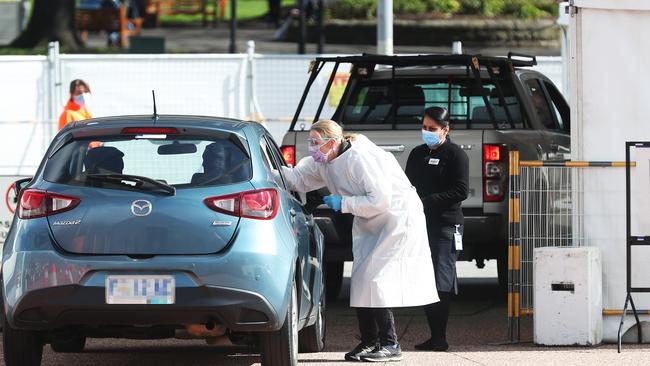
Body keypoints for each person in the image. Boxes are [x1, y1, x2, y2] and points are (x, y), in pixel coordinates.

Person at [280, 119, 438, 362]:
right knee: (363, 280)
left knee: (376, 280)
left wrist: (342, 203)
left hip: (396, 218)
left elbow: (381, 200)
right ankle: (369, 341)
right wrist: (267, 170)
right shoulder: (326, 159)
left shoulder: (360, 158)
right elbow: (298, 179)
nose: (311, 148)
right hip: (370, 219)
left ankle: (390, 343)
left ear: (332, 142)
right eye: (310, 142)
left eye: (316, 143)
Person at [405, 107, 469, 352]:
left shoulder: (455, 155)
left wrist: (427, 201)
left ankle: (440, 338)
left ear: (445, 130)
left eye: (433, 129)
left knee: (441, 280)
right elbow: (408, 185)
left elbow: (460, 191)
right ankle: (434, 336)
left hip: (446, 225)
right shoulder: (417, 154)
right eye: (424, 128)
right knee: (424, 280)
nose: (427, 132)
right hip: (421, 224)